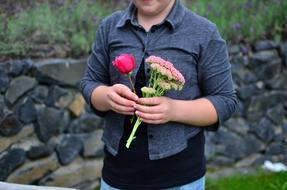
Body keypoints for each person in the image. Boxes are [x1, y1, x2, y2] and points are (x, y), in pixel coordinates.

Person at [80, 0, 238, 189]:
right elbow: (89, 83)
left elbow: (225, 101)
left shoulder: (204, 32)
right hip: (117, 177)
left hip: (180, 179)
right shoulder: (110, 27)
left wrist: (174, 110)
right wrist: (106, 97)